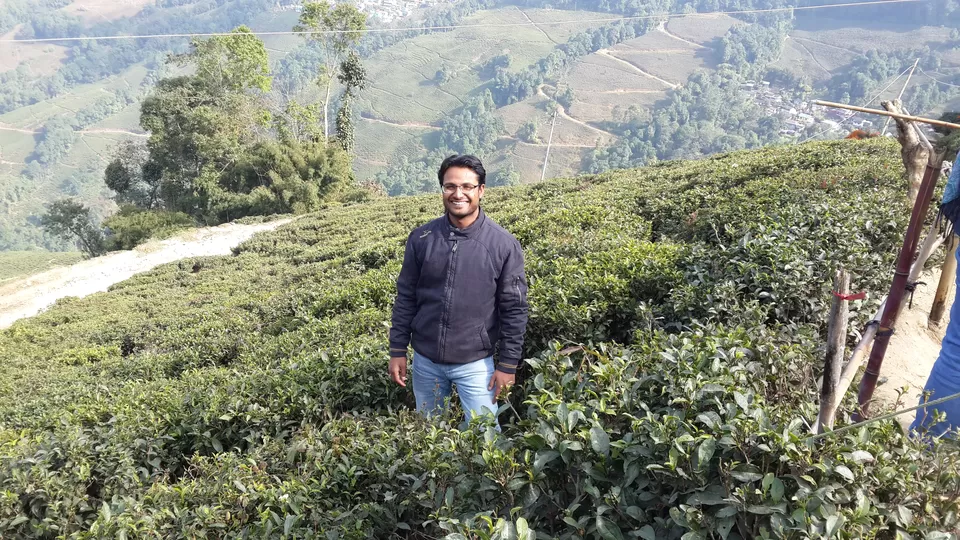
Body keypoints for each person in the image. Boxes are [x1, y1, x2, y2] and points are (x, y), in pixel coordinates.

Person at [388, 154, 528, 428]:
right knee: (430, 436)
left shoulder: (503, 245)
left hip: (475, 363)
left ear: (481, 190)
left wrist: (508, 366)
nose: (458, 193)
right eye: (450, 186)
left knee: (487, 437)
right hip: (426, 361)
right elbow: (406, 296)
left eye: (467, 186)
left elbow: (514, 309)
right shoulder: (422, 238)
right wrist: (397, 349)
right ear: (442, 189)